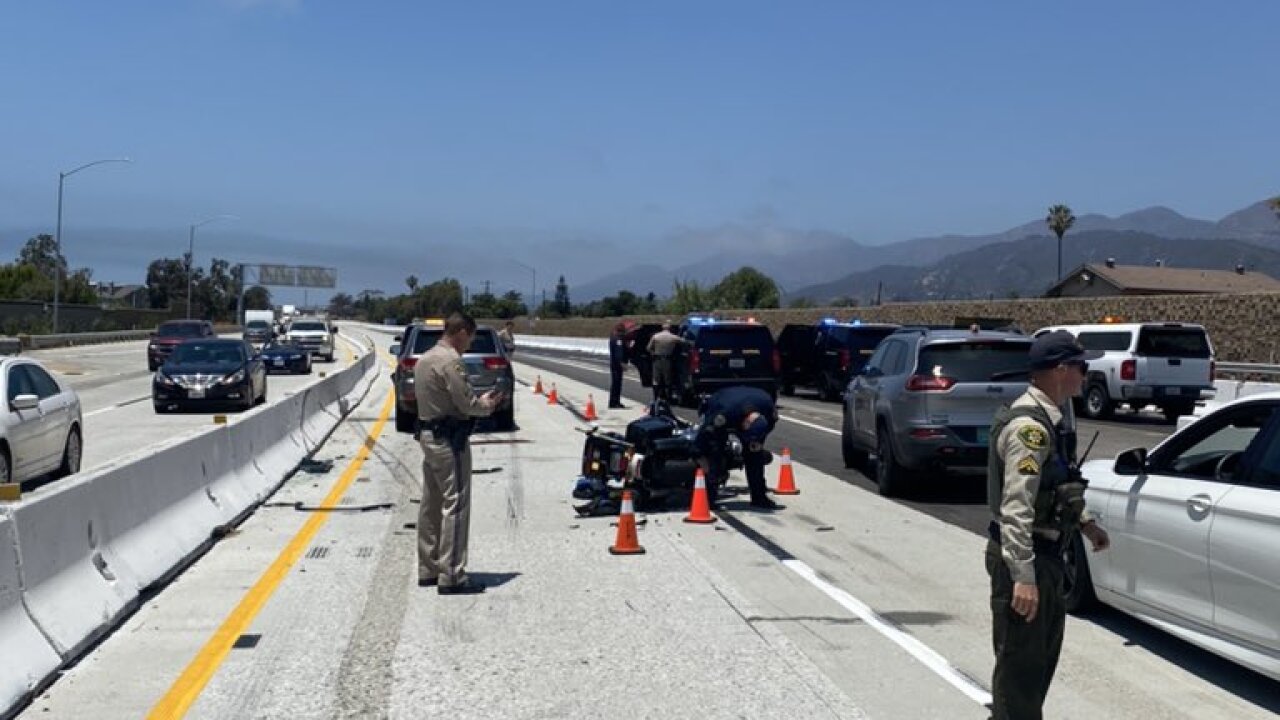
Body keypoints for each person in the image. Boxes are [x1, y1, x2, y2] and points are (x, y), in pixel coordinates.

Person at [986, 330, 1110, 719]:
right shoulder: (1031, 430)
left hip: (1046, 557)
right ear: (1060, 370)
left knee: (1034, 670)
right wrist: (1022, 575)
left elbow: (1056, 486)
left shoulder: (1050, 421)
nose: (1084, 374)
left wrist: (1086, 524)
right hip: (1030, 560)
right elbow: (1016, 508)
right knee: (1020, 675)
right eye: (1080, 366)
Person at [414, 312, 505, 595]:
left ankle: (428, 568)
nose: (471, 344)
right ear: (462, 332)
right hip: (449, 439)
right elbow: (466, 404)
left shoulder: (425, 358)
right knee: (456, 504)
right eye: (471, 337)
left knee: (431, 503)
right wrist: (487, 404)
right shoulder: (451, 361)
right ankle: (451, 574)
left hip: (428, 434)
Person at [692, 385, 781, 511]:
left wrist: (756, 444)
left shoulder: (769, 413)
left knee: (755, 457)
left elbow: (766, 430)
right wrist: (699, 454)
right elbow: (704, 435)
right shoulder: (723, 414)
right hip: (722, 401)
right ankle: (708, 497)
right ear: (746, 422)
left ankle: (759, 497)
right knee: (715, 453)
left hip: (750, 399)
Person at [645, 321, 686, 402]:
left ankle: (656, 398)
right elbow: (684, 342)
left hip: (657, 359)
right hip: (667, 359)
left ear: (662, 328)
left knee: (656, 379)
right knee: (667, 379)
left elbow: (648, 348)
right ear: (670, 328)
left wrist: (653, 353)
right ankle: (667, 398)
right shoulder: (673, 337)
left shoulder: (656, 336)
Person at [607, 322, 628, 409]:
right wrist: (622, 364)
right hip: (617, 365)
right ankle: (615, 402)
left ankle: (614, 401)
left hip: (613, 364)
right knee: (617, 384)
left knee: (615, 383)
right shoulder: (618, 340)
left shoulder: (612, 338)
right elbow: (619, 353)